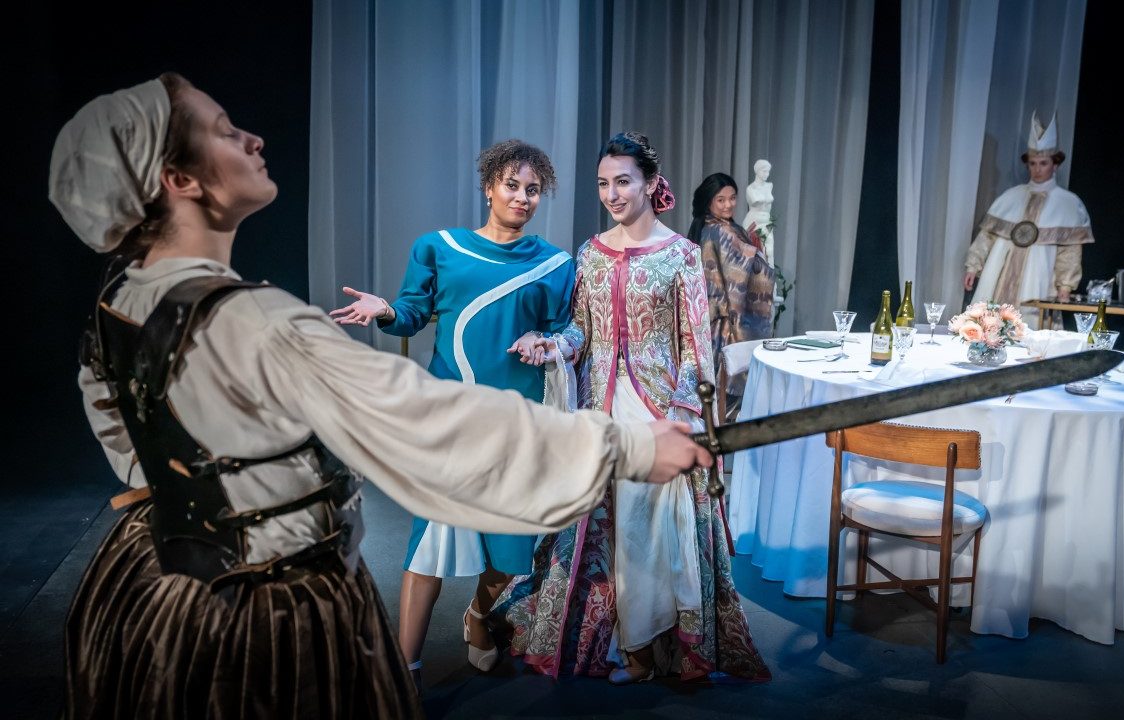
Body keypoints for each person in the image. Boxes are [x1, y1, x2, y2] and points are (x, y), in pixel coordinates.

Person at [49, 75, 712, 719]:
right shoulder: (257, 323)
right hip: (258, 617)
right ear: (180, 181)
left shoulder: (120, 301)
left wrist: (202, 501)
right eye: (225, 131)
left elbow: (125, 439)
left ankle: (485, 620)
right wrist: (624, 445)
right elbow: (426, 420)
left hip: (148, 595)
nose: (253, 139)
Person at [493, 132, 770, 685]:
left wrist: (683, 415)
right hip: (600, 408)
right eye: (603, 184)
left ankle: (672, 647)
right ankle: (631, 648)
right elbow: (581, 330)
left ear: (650, 183)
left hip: (658, 409)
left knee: (656, 530)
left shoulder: (681, 255)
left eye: (623, 181)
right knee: (611, 532)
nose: (613, 194)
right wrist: (552, 345)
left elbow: (697, 347)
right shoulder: (591, 254)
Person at [329, 140, 574, 687]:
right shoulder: (438, 247)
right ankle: (403, 668)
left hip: (516, 422)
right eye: (512, 185)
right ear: (489, 186)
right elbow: (412, 313)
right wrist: (387, 309)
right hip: (453, 420)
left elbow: (563, 332)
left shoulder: (556, 264)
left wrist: (548, 341)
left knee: (511, 557)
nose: (522, 197)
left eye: (532, 189)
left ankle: (480, 616)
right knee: (431, 544)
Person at [963, 111, 1094, 326]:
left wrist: (1065, 287)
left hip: (1039, 275)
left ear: (1055, 164)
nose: (1037, 169)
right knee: (990, 326)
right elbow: (987, 236)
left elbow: (1069, 251)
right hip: (1000, 271)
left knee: (1031, 325)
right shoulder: (1011, 197)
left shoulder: (1068, 204)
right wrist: (973, 265)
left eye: (1043, 163)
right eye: (1032, 163)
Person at [687, 172, 775, 421]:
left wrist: (752, 247)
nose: (728, 205)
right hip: (724, 327)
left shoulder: (714, 228)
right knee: (725, 401)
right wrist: (755, 252)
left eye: (732, 198)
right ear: (709, 202)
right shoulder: (718, 232)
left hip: (713, 324)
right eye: (721, 200)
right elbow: (745, 267)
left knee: (717, 401)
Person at [740, 159, 775, 268]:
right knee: (756, 253)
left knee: (770, 251)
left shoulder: (769, 186)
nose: (766, 174)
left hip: (767, 222)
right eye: (764, 171)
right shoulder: (751, 189)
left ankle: (769, 280)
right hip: (754, 222)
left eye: (768, 171)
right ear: (757, 171)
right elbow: (755, 200)